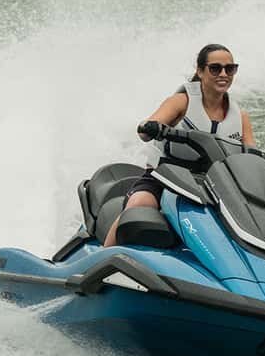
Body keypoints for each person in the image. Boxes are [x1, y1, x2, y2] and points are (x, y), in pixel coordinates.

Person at [102, 43, 255, 247]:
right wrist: (151, 127)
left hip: (214, 187)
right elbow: (145, 130)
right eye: (215, 68)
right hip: (166, 177)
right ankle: (103, 255)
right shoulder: (182, 102)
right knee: (139, 204)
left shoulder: (240, 117)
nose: (223, 74)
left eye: (230, 69)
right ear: (200, 71)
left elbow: (253, 158)